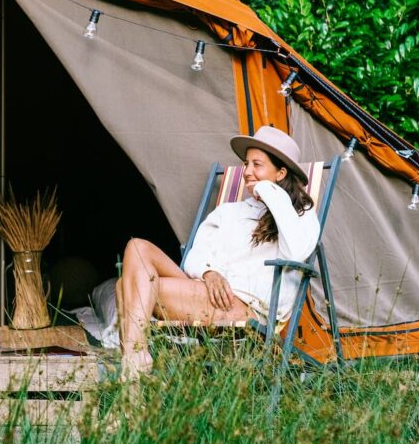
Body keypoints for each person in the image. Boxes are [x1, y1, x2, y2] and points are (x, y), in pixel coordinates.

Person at [117, 126, 320, 378]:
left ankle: (133, 373)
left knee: (127, 287)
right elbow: (195, 256)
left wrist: (269, 191)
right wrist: (209, 272)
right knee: (137, 247)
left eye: (257, 165)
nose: (247, 172)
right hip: (207, 292)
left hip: (243, 306)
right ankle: (135, 360)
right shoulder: (229, 212)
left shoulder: (301, 216)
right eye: (246, 164)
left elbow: (295, 253)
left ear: (281, 173)